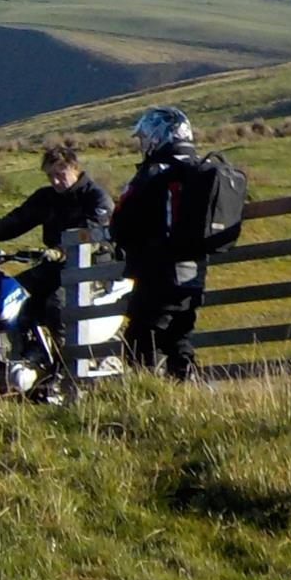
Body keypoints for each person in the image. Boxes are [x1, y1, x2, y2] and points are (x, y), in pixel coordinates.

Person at [0, 140, 112, 350]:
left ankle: (66, 364)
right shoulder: (47, 197)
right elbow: (15, 221)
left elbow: (93, 233)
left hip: (92, 268)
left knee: (57, 306)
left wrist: (61, 251)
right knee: (6, 296)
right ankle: (18, 355)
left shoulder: (96, 198)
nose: (56, 181)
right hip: (55, 267)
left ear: (75, 169)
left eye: (60, 175)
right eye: (50, 176)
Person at [110, 106, 207, 382]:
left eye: (143, 137)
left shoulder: (156, 172)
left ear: (156, 137)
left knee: (140, 339)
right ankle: (189, 393)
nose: (142, 144)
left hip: (158, 271)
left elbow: (122, 218)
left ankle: (151, 396)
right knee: (179, 338)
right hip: (194, 272)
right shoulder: (200, 169)